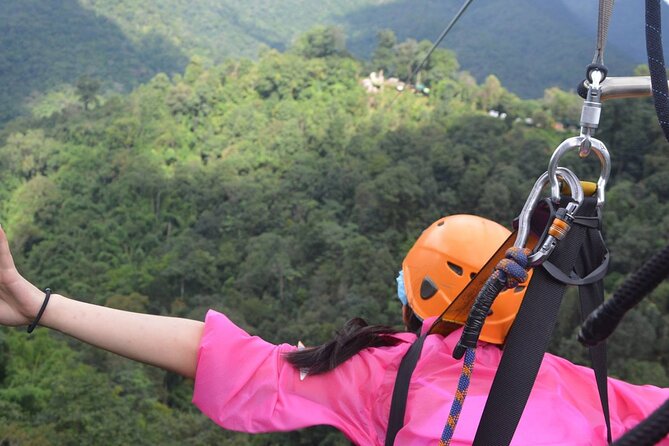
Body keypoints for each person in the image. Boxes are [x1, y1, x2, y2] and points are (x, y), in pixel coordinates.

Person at [0, 216, 667, 445]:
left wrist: (37, 303)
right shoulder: (579, 386)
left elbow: (219, 356)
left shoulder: (387, 371)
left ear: (418, 305)